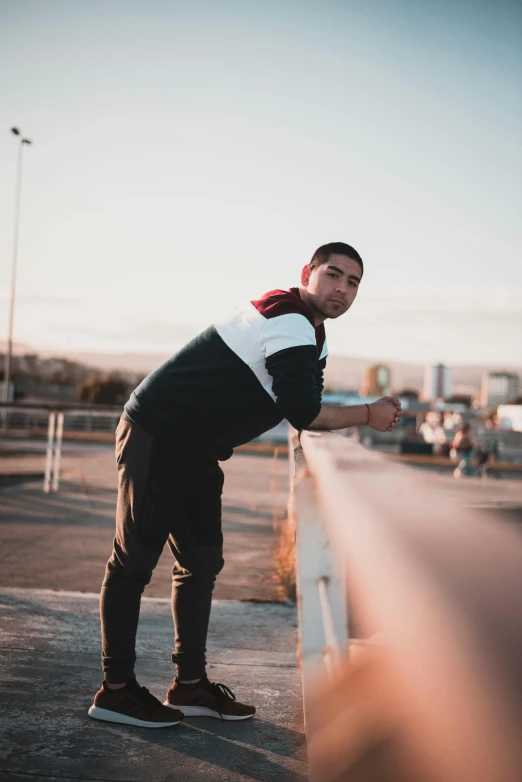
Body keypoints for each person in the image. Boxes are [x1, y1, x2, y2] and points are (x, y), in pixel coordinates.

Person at [88, 241, 403, 728]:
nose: (342, 289)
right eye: (334, 275)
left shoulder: (311, 333)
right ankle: (115, 691)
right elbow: (305, 412)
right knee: (132, 565)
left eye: (353, 282)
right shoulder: (289, 317)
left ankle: (189, 685)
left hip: (196, 448)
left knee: (201, 562)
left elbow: (302, 401)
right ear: (308, 273)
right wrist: (369, 413)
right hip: (160, 432)